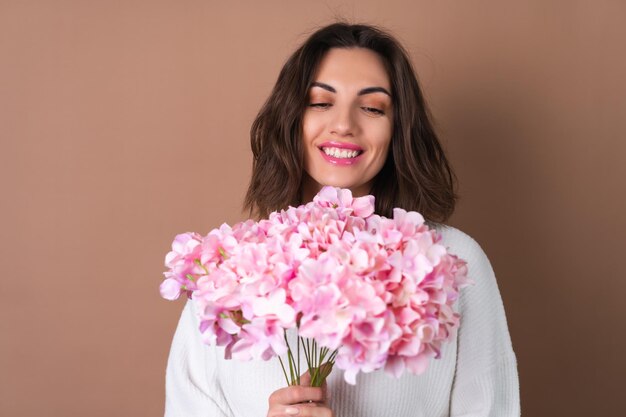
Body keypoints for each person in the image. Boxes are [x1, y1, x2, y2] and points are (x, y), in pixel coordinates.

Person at [164, 23, 520, 417]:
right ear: (291, 120)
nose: (345, 124)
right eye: (320, 102)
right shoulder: (225, 275)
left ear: (397, 128)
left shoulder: (449, 262)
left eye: (372, 107)